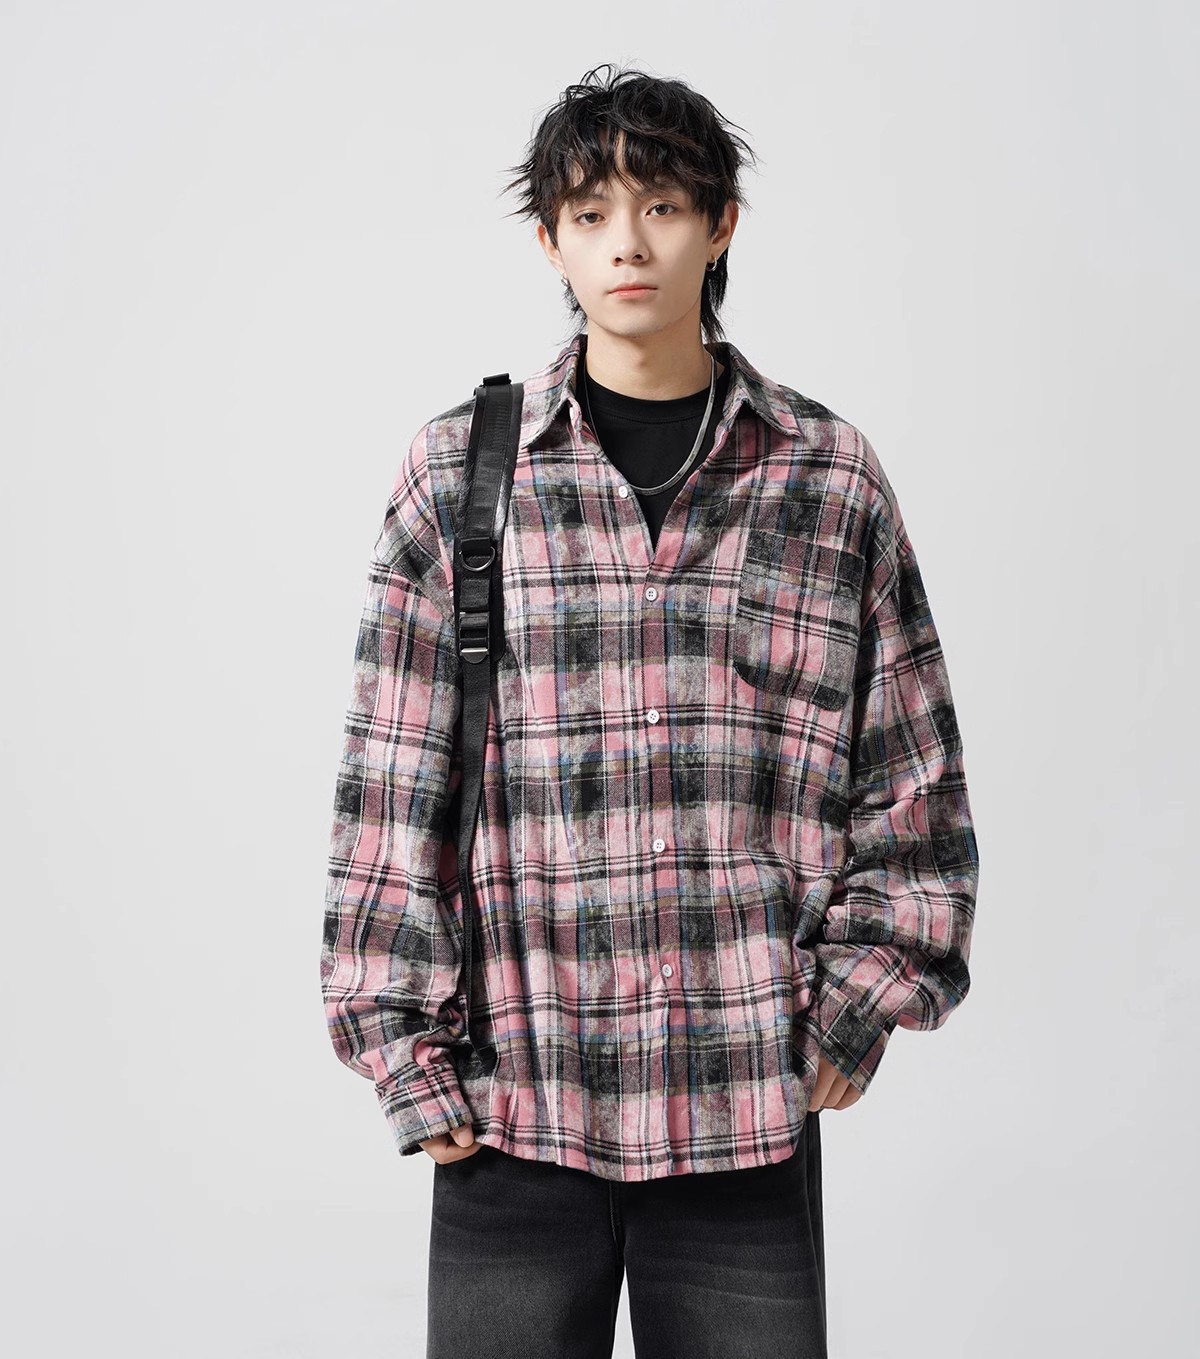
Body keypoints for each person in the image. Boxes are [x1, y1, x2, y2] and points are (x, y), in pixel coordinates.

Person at [320, 63, 979, 1359]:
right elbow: (392, 777)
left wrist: (856, 999)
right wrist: (402, 1050)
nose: (628, 243)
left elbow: (911, 774)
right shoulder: (461, 474)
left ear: (722, 224)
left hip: (744, 1112)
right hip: (513, 1108)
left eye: (665, 206)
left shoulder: (827, 479)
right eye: (591, 213)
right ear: (550, 240)